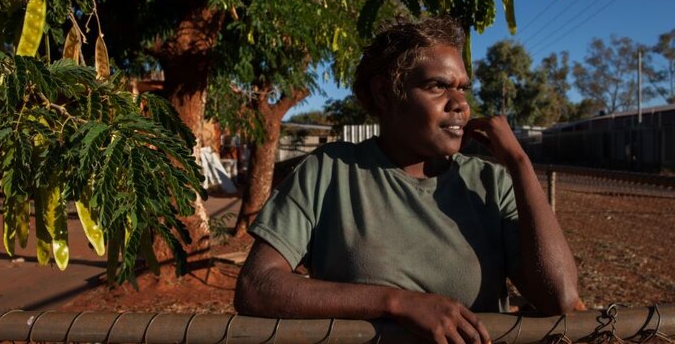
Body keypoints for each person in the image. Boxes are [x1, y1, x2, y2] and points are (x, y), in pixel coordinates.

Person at [235, 17, 582, 344]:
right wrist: (399, 303)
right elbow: (257, 285)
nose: (459, 104)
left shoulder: (489, 184)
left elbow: (561, 298)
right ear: (386, 93)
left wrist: (520, 165)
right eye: (438, 86)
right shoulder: (331, 172)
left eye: (462, 89)